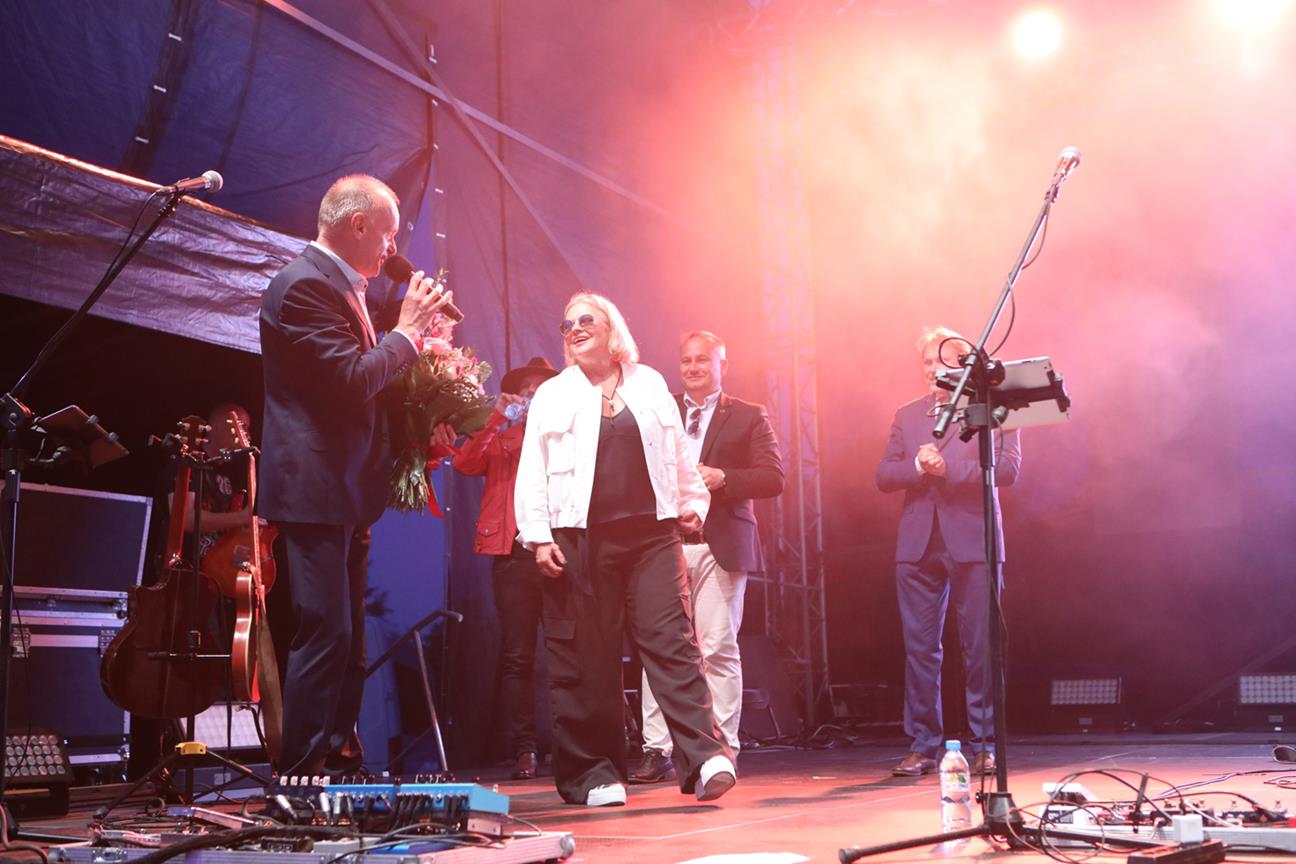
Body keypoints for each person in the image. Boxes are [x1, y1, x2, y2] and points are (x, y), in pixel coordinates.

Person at [258, 174, 456, 777]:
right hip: (314, 489)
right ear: (359, 224)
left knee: (349, 640)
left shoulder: (343, 289)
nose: (393, 249)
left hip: (346, 489)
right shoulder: (303, 287)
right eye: (389, 234)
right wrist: (407, 332)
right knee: (325, 632)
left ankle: (339, 763)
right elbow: (349, 380)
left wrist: (427, 412)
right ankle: (299, 773)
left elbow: (367, 388)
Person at [514, 293, 737, 807]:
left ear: (612, 328)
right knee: (585, 657)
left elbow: (678, 454)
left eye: (585, 320)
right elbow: (533, 468)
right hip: (579, 539)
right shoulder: (553, 393)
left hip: (651, 535)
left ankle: (706, 757)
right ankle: (593, 774)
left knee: (673, 641)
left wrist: (693, 504)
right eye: (566, 323)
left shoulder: (649, 382)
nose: (573, 328)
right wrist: (538, 534)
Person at [631, 331, 784, 784]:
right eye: (687, 361)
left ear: (722, 365)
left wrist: (724, 477)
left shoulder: (749, 415)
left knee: (717, 647)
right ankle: (656, 748)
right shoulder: (662, 410)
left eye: (703, 360)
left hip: (721, 545)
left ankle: (723, 748)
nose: (694, 367)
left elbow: (773, 477)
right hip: (665, 545)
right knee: (661, 647)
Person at [875, 326, 1022, 777]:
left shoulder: (992, 409)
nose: (931, 369)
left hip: (973, 539)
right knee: (920, 650)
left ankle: (984, 745)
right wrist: (919, 468)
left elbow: (1008, 470)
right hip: (918, 545)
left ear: (964, 367)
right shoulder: (907, 414)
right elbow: (884, 475)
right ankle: (923, 745)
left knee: (980, 648)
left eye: (939, 361)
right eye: (925, 362)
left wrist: (947, 470)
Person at [451, 356, 559, 781]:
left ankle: (572, 741)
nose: (532, 395)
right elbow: (465, 464)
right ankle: (524, 748)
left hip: (560, 551)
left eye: (540, 389)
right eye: (527, 389)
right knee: (518, 655)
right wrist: (497, 417)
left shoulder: (564, 433)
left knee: (569, 651)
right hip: (514, 555)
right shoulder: (504, 433)